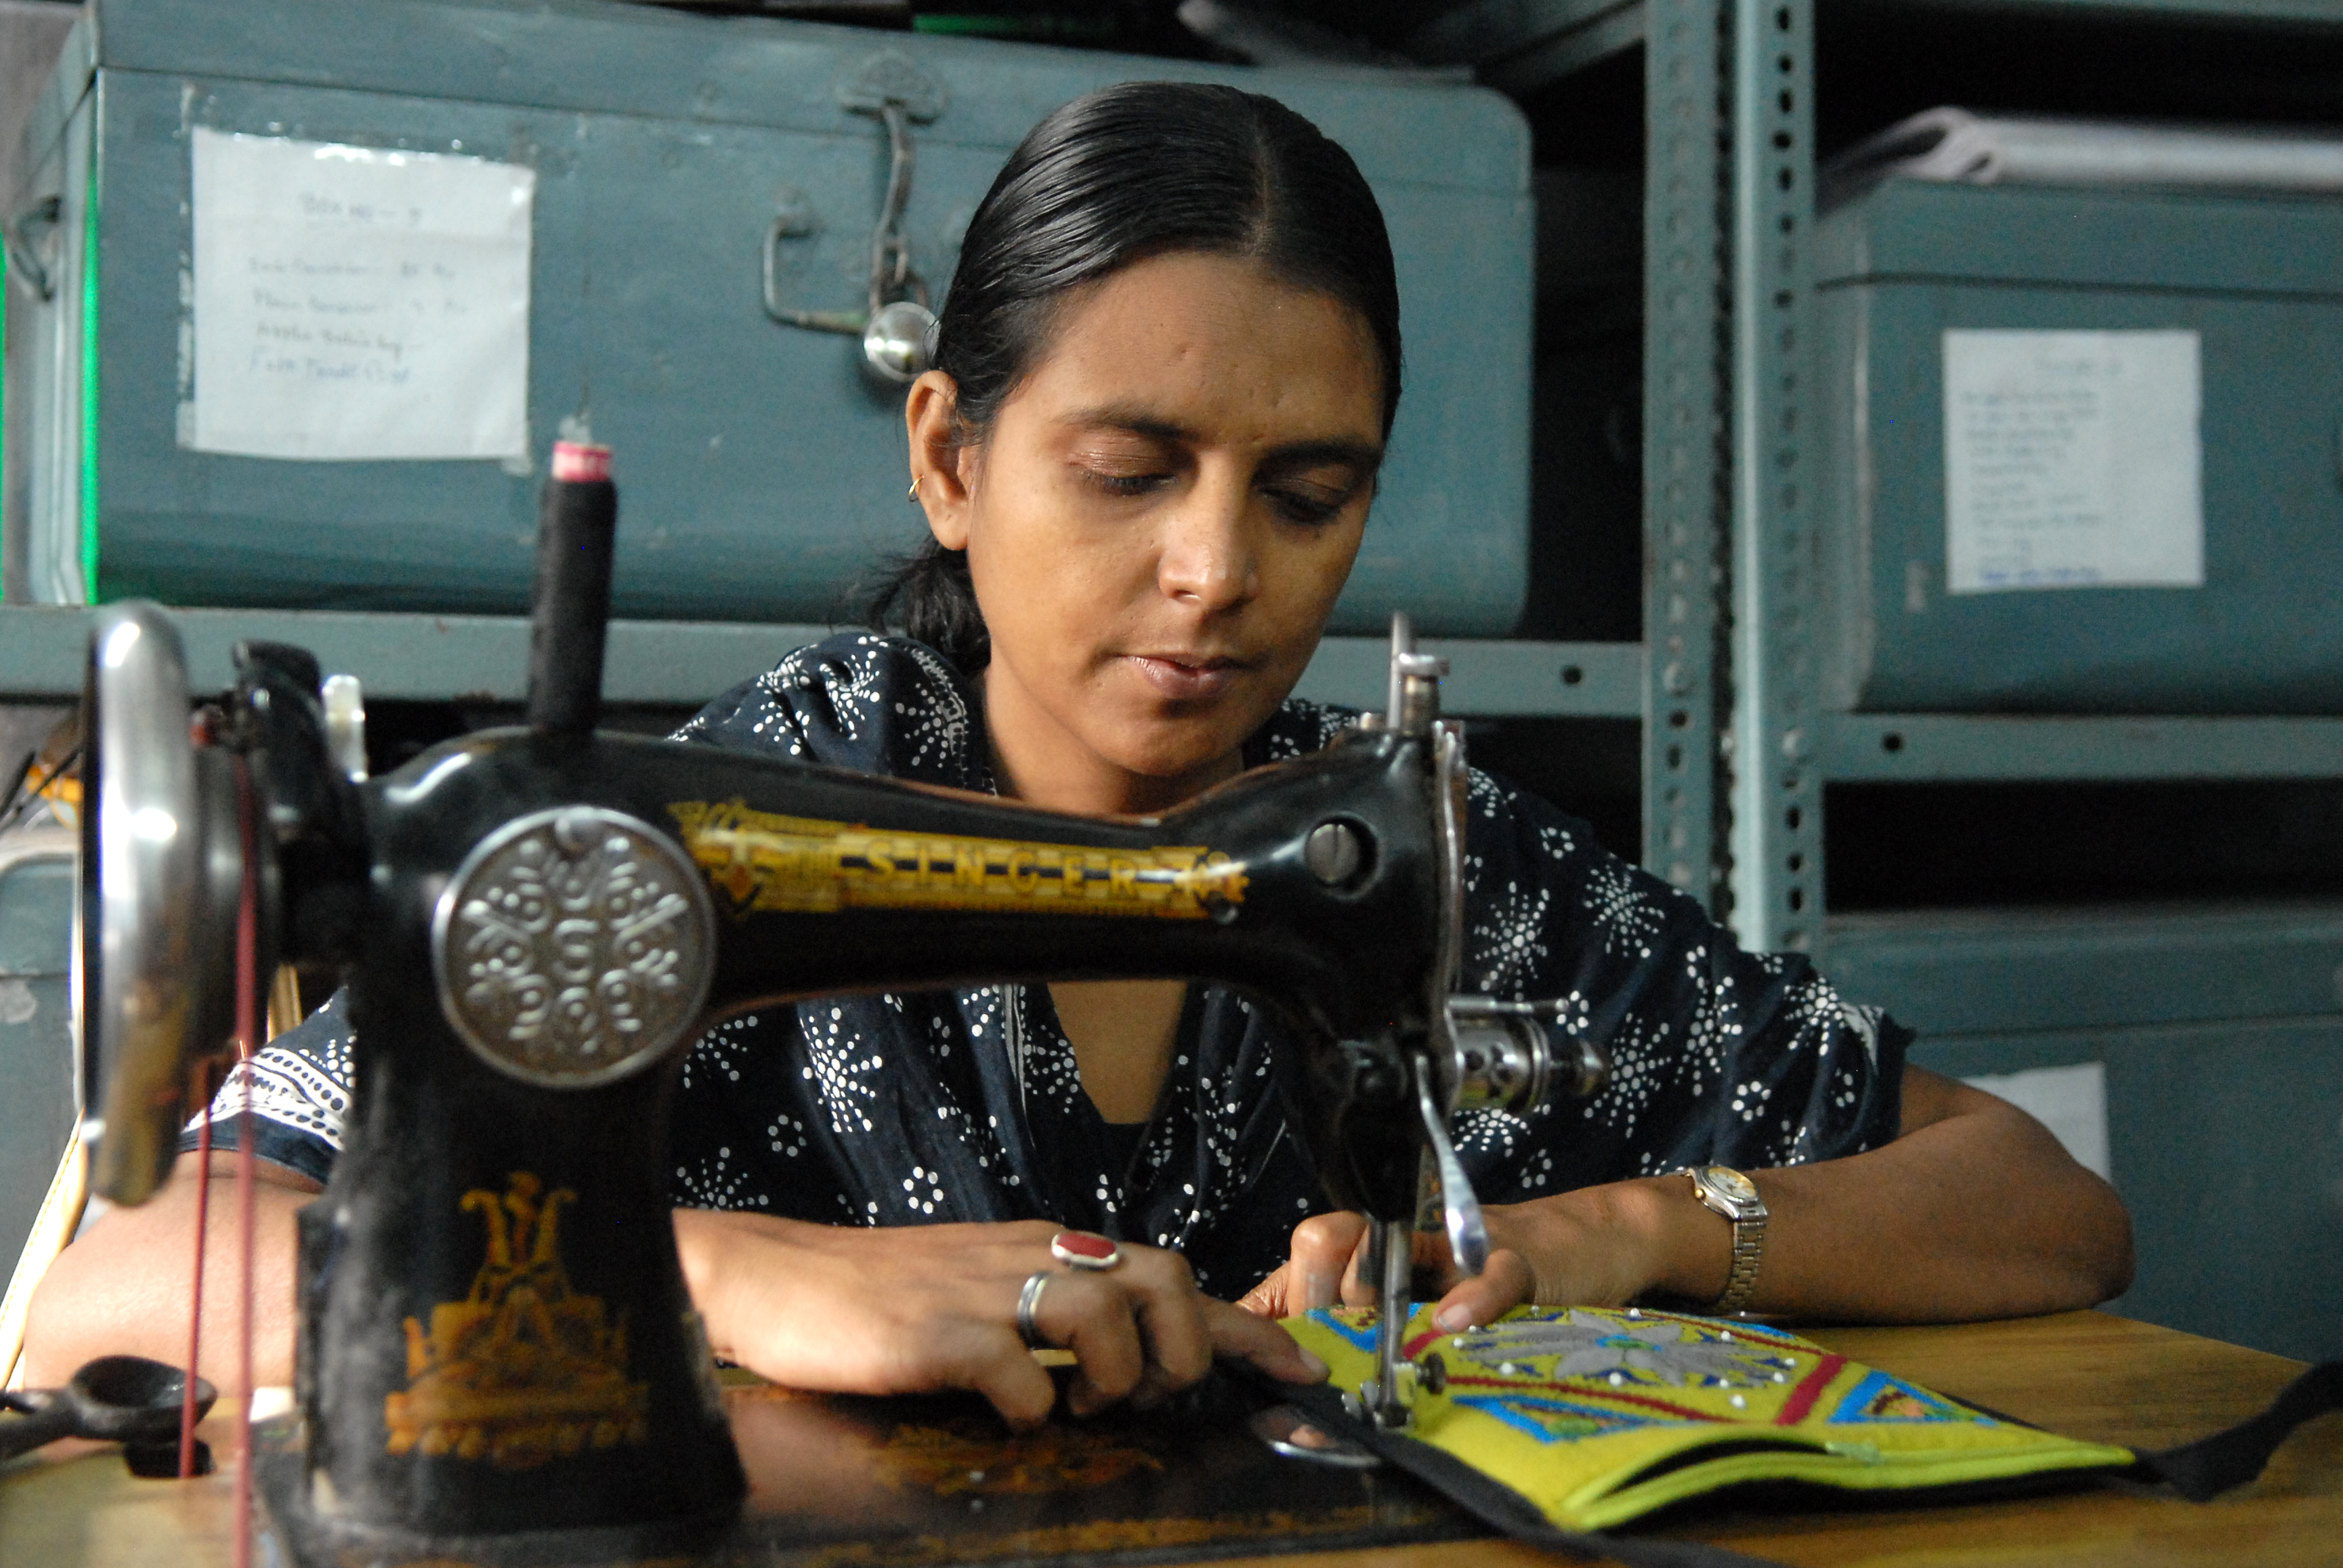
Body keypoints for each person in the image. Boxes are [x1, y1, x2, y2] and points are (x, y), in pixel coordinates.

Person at [23, 83, 2132, 1426]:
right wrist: (743, 1277)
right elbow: (110, 1285)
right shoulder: (730, 821)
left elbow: (2039, 1207)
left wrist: (1636, 1233)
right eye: (1128, 470)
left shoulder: (1403, 844)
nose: (1214, 570)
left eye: (1308, 493)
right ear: (949, 455)